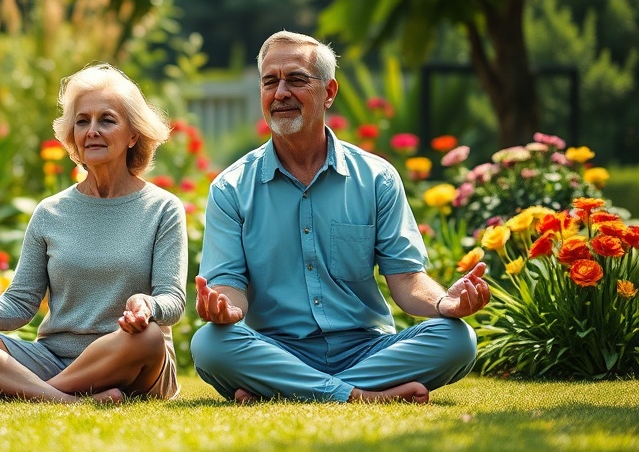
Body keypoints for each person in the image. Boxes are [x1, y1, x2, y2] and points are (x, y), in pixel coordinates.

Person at [189, 31, 490, 404]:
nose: (280, 92)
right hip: (277, 350)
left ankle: (287, 390)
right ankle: (358, 395)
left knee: (458, 339)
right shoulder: (231, 187)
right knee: (210, 344)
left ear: (329, 92)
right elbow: (228, 284)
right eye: (270, 81)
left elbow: (408, 278)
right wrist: (225, 307)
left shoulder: (377, 177)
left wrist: (446, 304)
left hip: (366, 349)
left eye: (296, 79)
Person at [0, 63, 188, 404]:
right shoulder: (50, 212)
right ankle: (63, 399)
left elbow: (173, 301)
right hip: (52, 359)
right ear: (73, 135)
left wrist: (148, 304)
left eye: (106, 120)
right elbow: (17, 305)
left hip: (128, 355)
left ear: (133, 135)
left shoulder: (163, 208)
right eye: (82, 121)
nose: (92, 130)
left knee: (150, 338)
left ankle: (16, 391)